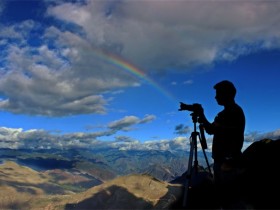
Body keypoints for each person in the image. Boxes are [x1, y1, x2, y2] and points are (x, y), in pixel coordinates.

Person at [197, 80, 246, 208]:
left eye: (218, 93)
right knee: (223, 197)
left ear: (228, 94)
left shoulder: (234, 112)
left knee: (231, 199)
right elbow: (211, 130)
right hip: (220, 161)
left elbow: (218, 130)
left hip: (229, 162)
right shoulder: (223, 114)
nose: (215, 97)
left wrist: (202, 116)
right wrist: (201, 115)